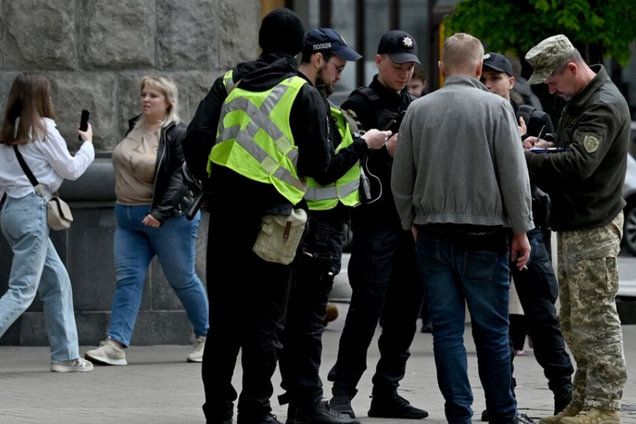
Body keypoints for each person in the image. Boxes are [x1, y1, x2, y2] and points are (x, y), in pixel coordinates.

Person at [182, 8, 335, 424]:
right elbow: (320, 166)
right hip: (275, 222)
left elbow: (194, 139)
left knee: (224, 320)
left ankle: (217, 410)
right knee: (264, 321)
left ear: (260, 43)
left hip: (227, 216)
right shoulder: (300, 92)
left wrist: (214, 179)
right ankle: (255, 408)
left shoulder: (230, 82)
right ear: (300, 49)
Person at [392, 33, 534, 424]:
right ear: (477, 68)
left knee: (448, 333)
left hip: (432, 235)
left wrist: (411, 221)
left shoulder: (419, 110)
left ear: (439, 68)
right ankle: (504, 413)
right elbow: (514, 176)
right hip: (486, 236)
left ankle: (459, 413)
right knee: (492, 334)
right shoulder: (496, 108)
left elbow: (401, 180)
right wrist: (521, 230)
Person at [280, 28, 390, 424]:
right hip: (317, 225)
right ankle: (307, 406)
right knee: (307, 322)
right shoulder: (306, 96)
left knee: (298, 320)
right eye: (337, 64)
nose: (341, 72)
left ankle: (301, 402)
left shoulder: (307, 95)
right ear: (317, 58)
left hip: (312, 224)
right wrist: (365, 145)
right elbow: (323, 169)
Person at [522, 34, 630, 424]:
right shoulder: (580, 99)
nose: (549, 89)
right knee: (573, 319)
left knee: (595, 319)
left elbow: (578, 166)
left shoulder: (601, 105)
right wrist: (544, 146)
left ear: (571, 68)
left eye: (551, 82)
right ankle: (582, 403)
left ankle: (604, 406)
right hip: (576, 222)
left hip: (593, 225)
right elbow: (570, 151)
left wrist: (527, 158)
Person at [327, 30, 428, 421]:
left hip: (411, 224)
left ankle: (387, 390)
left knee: (406, 312)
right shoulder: (358, 105)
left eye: (410, 68)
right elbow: (342, 163)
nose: (405, 74)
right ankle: (342, 393)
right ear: (379, 61)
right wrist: (382, 151)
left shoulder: (417, 106)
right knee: (365, 309)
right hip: (375, 223)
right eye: (398, 66)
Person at [84, 76, 209, 366]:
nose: (146, 99)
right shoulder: (134, 127)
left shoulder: (177, 133)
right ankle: (115, 345)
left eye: (154, 95)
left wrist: (160, 212)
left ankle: (207, 337)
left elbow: (182, 176)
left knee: (182, 278)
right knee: (127, 280)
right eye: (144, 94)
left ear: (168, 102)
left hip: (168, 221)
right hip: (128, 219)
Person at [480, 51, 574, 418]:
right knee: (495, 323)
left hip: (530, 227)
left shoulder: (533, 118)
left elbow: (552, 173)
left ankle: (564, 395)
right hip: (488, 229)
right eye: (482, 78)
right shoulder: (476, 117)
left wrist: (522, 148)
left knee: (542, 316)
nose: (488, 84)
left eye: (494, 78)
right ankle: (502, 402)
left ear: (510, 81)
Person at [0, 72, 95, 373]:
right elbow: (71, 170)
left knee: (56, 281)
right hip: (33, 211)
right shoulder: (44, 130)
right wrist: (88, 145)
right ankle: (65, 356)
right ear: (42, 97)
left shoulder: (7, 130)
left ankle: (66, 356)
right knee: (22, 291)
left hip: (10, 212)